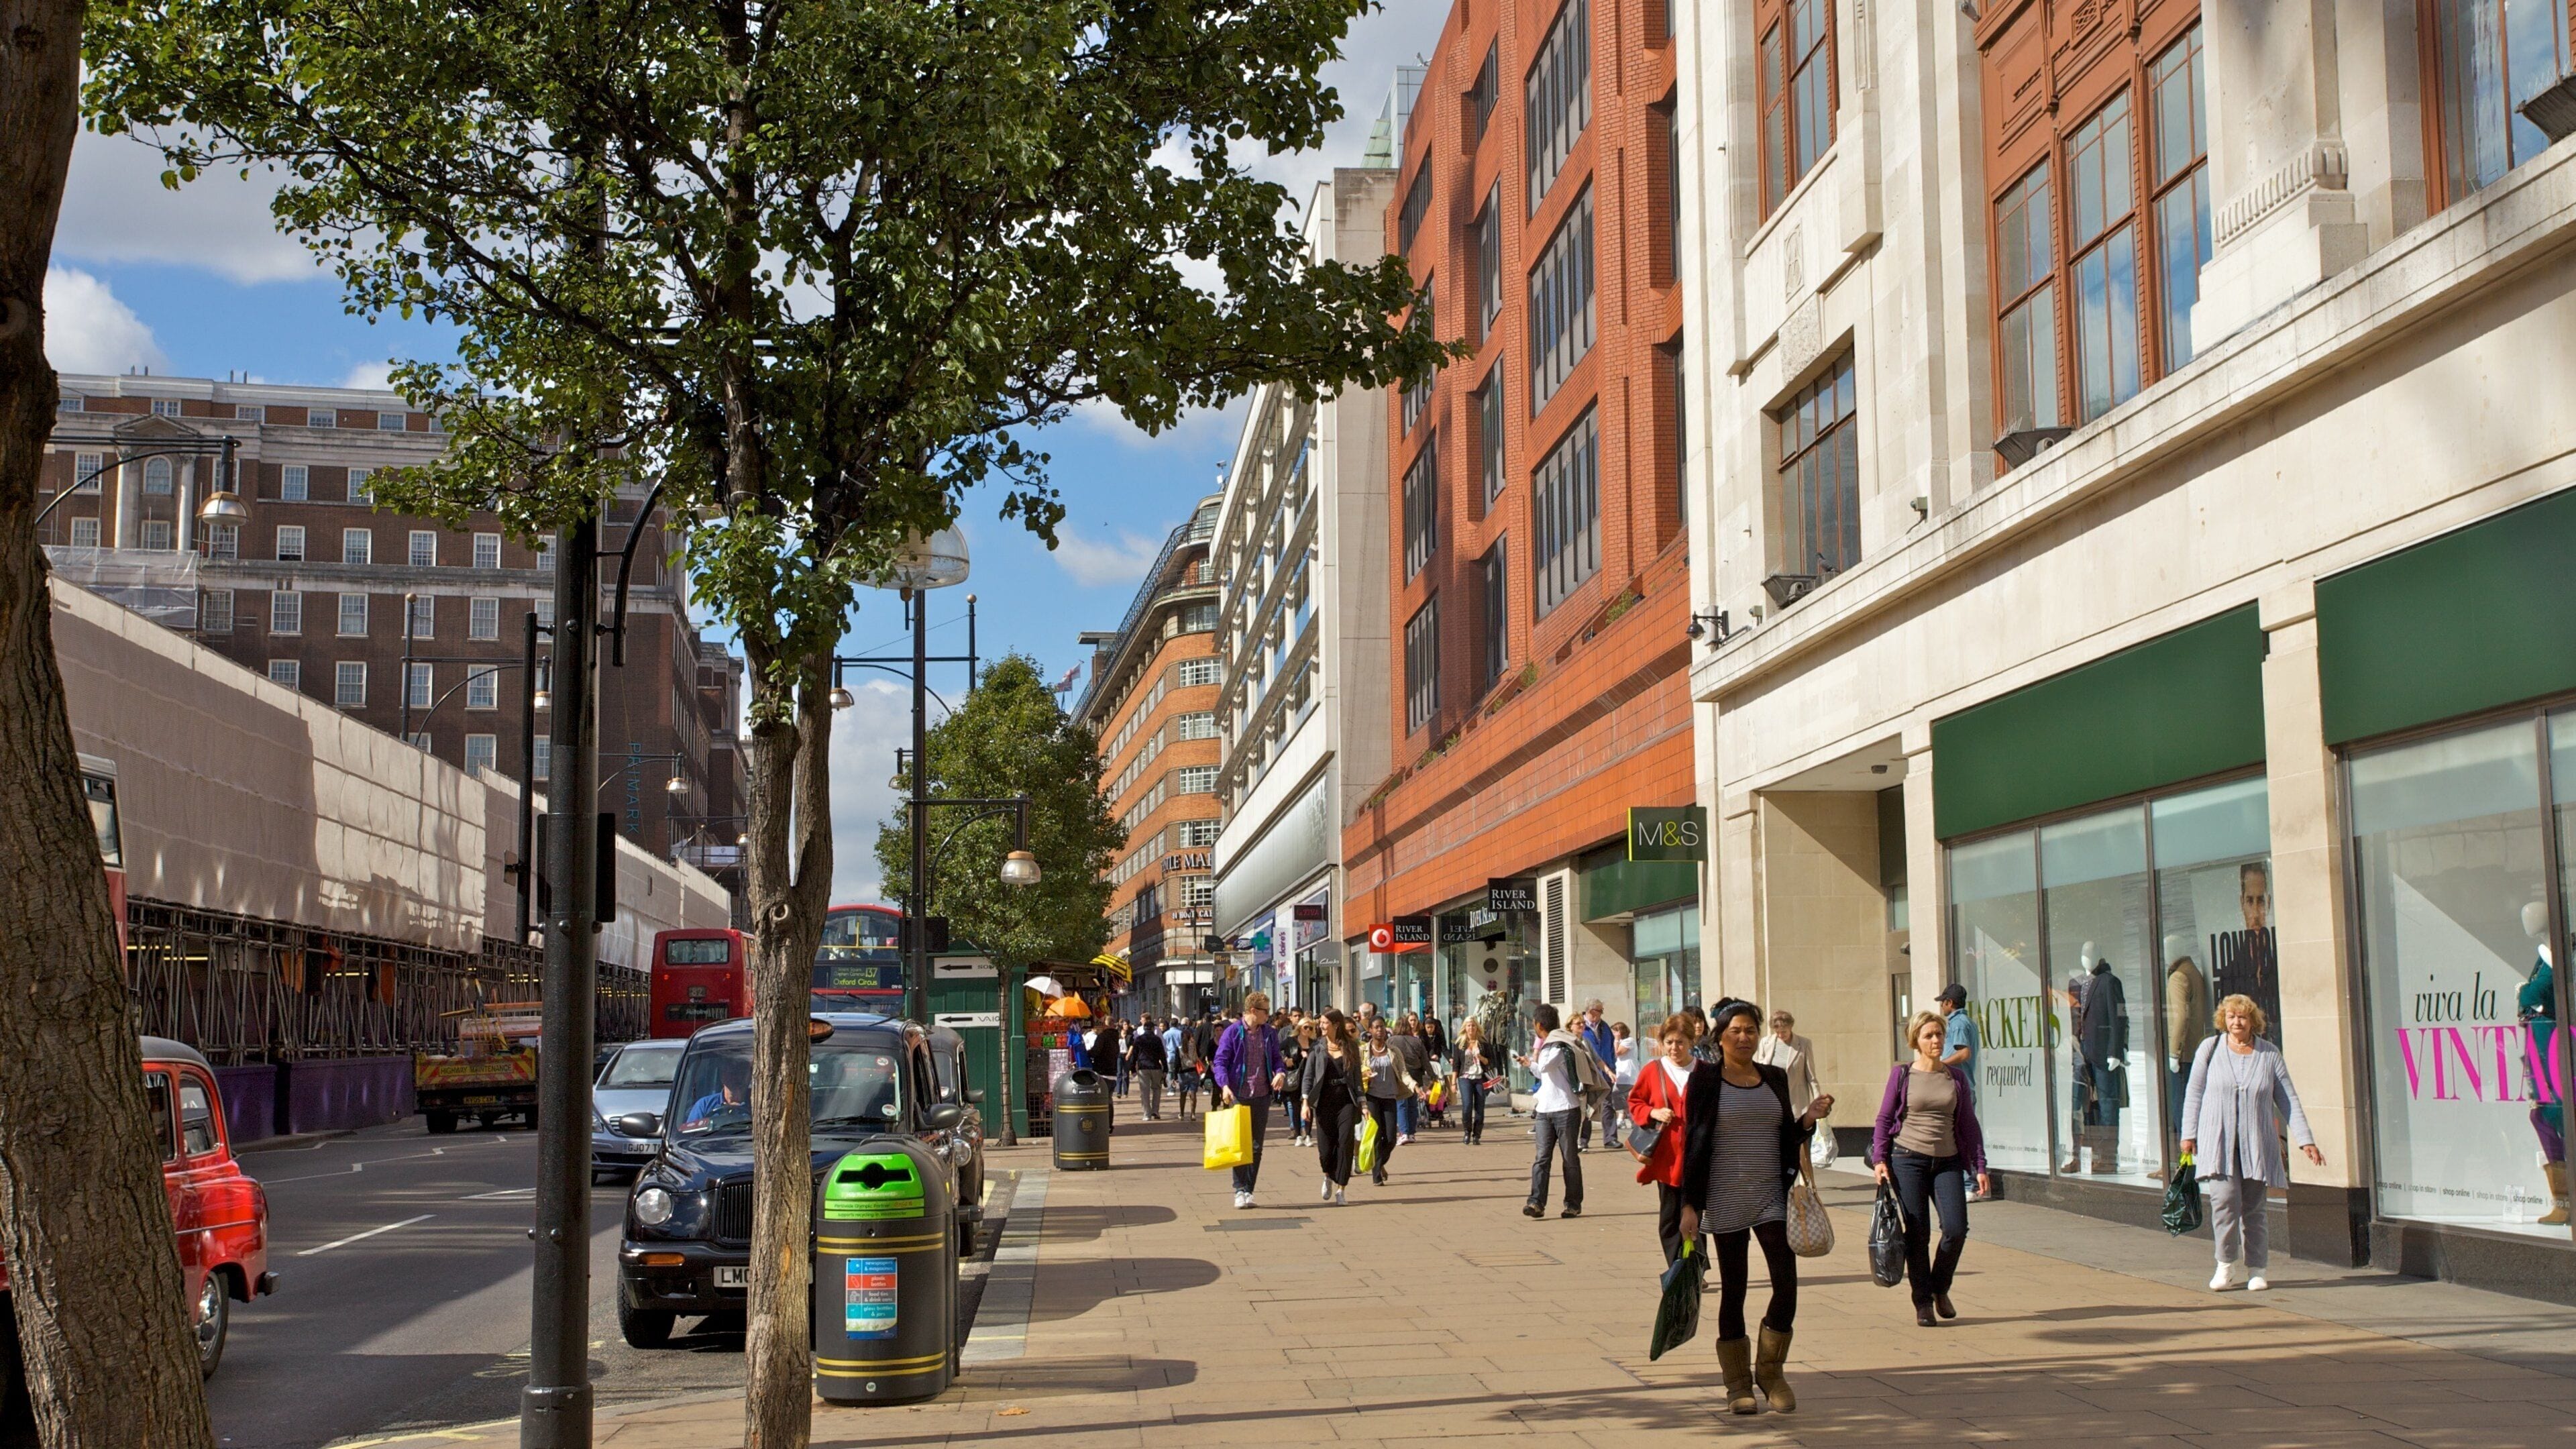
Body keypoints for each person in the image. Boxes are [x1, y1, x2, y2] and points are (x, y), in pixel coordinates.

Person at [1678, 1001, 1834, 1415]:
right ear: (1720, 1037)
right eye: (1736, 1031)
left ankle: (1770, 1371)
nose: (1744, 1038)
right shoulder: (1706, 1080)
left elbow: (1786, 1138)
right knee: (1735, 1288)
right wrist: (1690, 1205)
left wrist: (1807, 1120)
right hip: (1724, 1196)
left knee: (1786, 1283)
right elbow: (1693, 1143)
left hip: (1770, 1196)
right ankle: (1737, 1384)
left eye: (1751, 1031)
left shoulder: (1775, 1078)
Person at [2180, 994, 2320, 1292]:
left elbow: (2288, 1099)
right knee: (2225, 1202)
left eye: (2242, 1017)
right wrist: (2188, 1134)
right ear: (2224, 1020)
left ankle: (2257, 1269)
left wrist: (2305, 1140)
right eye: (2231, 1017)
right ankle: (2225, 1264)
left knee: (2255, 1209)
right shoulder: (2210, 1048)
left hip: (2257, 1143)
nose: (2236, 1022)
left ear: (2252, 1021)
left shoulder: (2269, 1055)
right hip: (2219, 1142)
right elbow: (2194, 1093)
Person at [1872, 1011, 1989, 1327]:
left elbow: (1968, 1124)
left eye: (1939, 1034)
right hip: (1908, 1160)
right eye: (1929, 1036)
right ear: (1916, 1041)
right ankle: (1923, 1301)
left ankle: (1940, 1287)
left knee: (1955, 1228)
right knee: (1918, 1233)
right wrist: (1880, 1160)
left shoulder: (1955, 1078)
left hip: (1948, 1161)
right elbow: (1884, 1119)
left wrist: (1979, 1165)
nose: (1936, 1040)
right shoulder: (1903, 1075)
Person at [1629, 1013, 1699, 1265]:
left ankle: (1695, 1266)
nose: (1674, 1048)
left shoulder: (1704, 1071)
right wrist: (1653, 1112)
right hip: (1667, 1157)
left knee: (1694, 1213)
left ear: (1691, 1041)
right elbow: (1635, 1102)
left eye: (1680, 1042)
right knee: (1669, 1217)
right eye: (1669, 1042)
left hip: (1696, 1154)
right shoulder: (1653, 1070)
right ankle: (1678, 1266)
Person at [1211, 991, 1288, 1210]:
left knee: (1256, 1147)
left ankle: (1249, 1190)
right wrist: (1224, 1085)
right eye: (1266, 1011)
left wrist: (1280, 1073)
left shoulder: (1269, 1033)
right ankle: (1239, 1189)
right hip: (1239, 1095)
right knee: (1239, 1145)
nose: (1269, 1015)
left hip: (1262, 1095)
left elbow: (1276, 1059)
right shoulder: (1233, 1032)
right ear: (1253, 1011)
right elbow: (1220, 1061)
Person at [1517, 1004, 1586, 1219]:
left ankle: (1573, 1203)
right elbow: (1544, 1072)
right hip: (1545, 1109)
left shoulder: (1559, 1045)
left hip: (1565, 1108)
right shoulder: (1549, 1046)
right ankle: (1536, 1202)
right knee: (1542, 1158)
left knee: (1570, 1158)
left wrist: (1537, 1054)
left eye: (1534, 1025)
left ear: (1539, 1025)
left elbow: (1547, 1065)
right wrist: (1530, 1063)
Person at [1303, 1010, 1365, 1205]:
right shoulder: (1317, 1047)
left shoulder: (1351, 1047)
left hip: (1346, 1101)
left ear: (1336, 1025)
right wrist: (1305, 1103)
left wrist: (1363, 1104)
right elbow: (1308, 1076)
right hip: (1324, 1102)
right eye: (1320, 1023)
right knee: (1325, 1149)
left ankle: (1341, 1190)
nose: (1320, 1026)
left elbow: (1357, 1080)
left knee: (1345, 1143)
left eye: (1324, 1023)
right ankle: (1328, 1176)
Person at [1359, 1020, 1414, 1185]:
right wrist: (1365, 1073)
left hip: (1390, 1097)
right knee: (1376, 1136)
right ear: (1370, 1030)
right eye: (1376, 1027)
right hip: (1372, 1097)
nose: (1380, 1030)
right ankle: (1376, 1175)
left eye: (1382, 1027)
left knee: (1390, 1138)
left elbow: (1403, 1072)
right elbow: (1357, 1071)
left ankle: (1379, 1163)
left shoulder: (1394, 1051)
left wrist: (1415, 1085)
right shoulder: (1363, 1051)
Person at [1752, 1010, 1819, 1118]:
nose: (1780, 1035)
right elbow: (1760, 1073)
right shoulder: (1765, 1043)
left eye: (1784, 1031)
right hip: (1772, 1100)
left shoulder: (1804, 1044)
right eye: (1777, 1032)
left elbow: (1811, 1076)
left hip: (1797, 1102)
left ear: (1791, 1027)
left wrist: (1818, 1101)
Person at [1451, 1020, 1497, 1145]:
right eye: (1469, 1026)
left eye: (1473, 1026)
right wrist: (1453, 1082)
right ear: (1465, 1028)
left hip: (1480, 1078)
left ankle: (1477, 1135)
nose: (1471, 1028)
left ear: (1477, 1028)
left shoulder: (1483, 1043)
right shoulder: (1460, 1043)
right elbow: (1456, 1065)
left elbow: (1491, 1062)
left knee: (1480, 1108)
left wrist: (1480, 1057)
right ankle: (1467, 1132)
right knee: (1467, 1106)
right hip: (1465, 1078)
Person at [1578, 1000, 1616, 1148]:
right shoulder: (1581, 1026)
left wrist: (1611, 1066)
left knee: (1608, 1105)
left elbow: (1611, 1047)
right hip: (1588, 1072)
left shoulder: (1604, 1026)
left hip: (1607, 1071)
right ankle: (1583, 1140)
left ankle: (1610, 1139)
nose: (1601, 1014)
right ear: (1592, 1011)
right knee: (1587, 1106)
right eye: (1600, 1011)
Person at [680, 1055, 751, 1130]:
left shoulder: (759, 1105)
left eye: (742, 1071)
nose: (737, 1077)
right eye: (731, 1071)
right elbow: (690, 1136)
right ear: (722, 1075)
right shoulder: (704, 1106)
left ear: (750, 1075)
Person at [1391, 1016, 1431, 1144]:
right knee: (1413, 1105)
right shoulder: (1416, 1041)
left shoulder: (1391, 1041)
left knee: (1401, 1104)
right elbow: (1425, 1061)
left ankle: (1404, 1133)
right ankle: (1412, 1133)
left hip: (1399, 1075)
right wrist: (1433, 1076)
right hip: (1415, 1074)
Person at [1604, 1022, 1639, 1151]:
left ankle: (1625, 1118)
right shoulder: (1623, 1041)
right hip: (1622, 1076)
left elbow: (1617, 1053)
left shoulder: (1629, 1041)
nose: (1613, 1035)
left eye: (1615, 1032)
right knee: (1624, 1098)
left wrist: (1617, 1040)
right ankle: (1630, 1119)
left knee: (1616, 1096)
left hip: (1628, 1076)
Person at [1281, 1020, 1315, 1147]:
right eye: (1306, 1027)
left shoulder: (1314, 1043)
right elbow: (1276, 1051)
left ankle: (1308, 1135)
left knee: (1308, 1106)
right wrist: (1285, 1059)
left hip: (1309, 1078)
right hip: (1294, 1078)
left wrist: (1309, 1056)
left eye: (1311, 1028)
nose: (1309, 1030)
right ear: (1300, 1028)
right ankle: (1298, 1135)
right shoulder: (1291, 1041)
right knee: (1295, 1106)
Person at [1128, 1014, 1169, 1120]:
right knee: (1157, 1089)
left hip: (1143, 1067)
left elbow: (1134, 1055)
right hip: (1156, 1066)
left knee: (1144, 1091)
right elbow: (1162, 1055)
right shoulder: (1157, 1040)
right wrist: (1166, 1068)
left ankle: (1147, 1114)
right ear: (1152, 1029)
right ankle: (1155, 1111)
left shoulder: (1139, 1039)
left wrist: (1132, 1068)